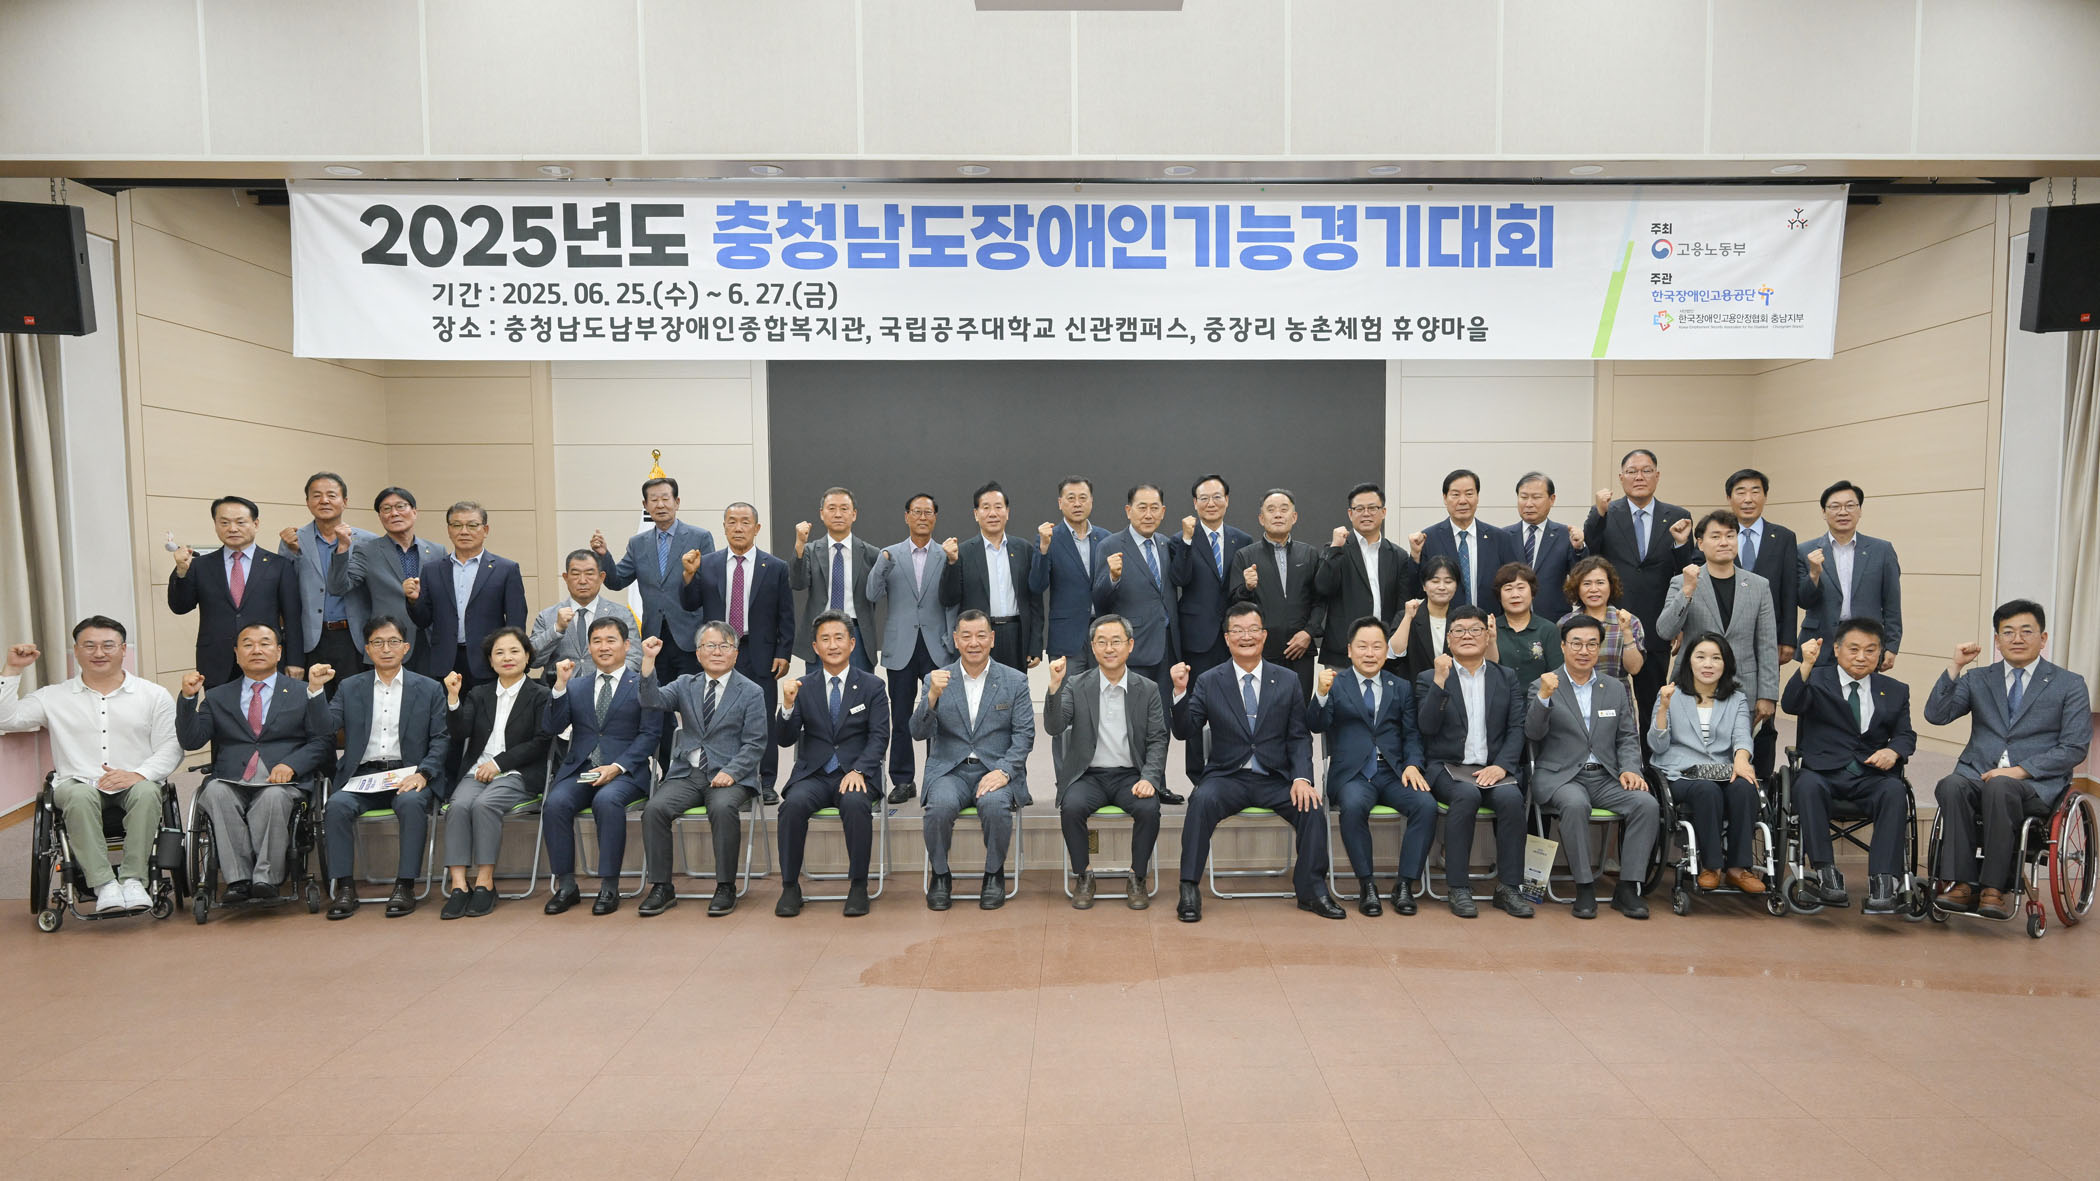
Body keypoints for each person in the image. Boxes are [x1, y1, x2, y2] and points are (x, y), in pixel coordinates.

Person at [1170, 602, 1342, 923]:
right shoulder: (1209, 680)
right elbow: (1185, 730)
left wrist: (1302, 778)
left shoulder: (1288, 680)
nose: (1245, 637)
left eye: (1252, 630)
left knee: (1311, 807)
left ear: (1264, 636)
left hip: (1275, 778)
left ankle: (1313, 890)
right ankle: (1189, 887)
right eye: (1237, 631)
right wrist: (1180, 692)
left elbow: (1298, 736)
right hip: (1227, 777)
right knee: (1200, 801)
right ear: (1227, 639)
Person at [1, 619, 181, 914]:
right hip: (77, 782)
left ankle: (133, 880)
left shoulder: (153, 695)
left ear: (123, 650)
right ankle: (104, 884)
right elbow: (5, 718)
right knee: (79, 795)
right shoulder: (54, 696)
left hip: (135, 780)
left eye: (108, 645)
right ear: (76, 651)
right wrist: (12, 670)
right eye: (89, 645)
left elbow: (172, 746)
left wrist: (138, 774)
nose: (99, 653)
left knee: (148, 792)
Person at [1926, 600, 2091, 920]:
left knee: (2001, 786)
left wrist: (2020, 771)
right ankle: (1962, 884)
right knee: (1951, 785)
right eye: (2008, 632)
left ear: (2043, 638)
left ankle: (1994, 888)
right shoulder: (1978, 679)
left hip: (2034, 784)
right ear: (1997, 640)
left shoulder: (2069, 684)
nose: (2017, 638)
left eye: (2026, 631)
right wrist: (1955, 667)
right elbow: (1936, 715)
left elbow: (2074, 747)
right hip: (1977, 773)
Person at [177, 623, 333, 907]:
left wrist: (292, 765)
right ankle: (238, 879)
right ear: (237, 654)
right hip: (233, 778)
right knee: (215, 792)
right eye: (248, 644)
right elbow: (191, 740)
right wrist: (188, 698)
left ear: (279, 652)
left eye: (265, 643)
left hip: (282, 781)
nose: (256, 650)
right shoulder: (218, 696)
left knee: (272, 797)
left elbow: (322, 740)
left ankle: (266, 879)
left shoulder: (302, 691)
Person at [307, 617, 451, 920]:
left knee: (411, 803)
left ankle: (405, 885)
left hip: (408, 774)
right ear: (367, 649)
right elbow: (325, 728)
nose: (386, 649)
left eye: (393, 642)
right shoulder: (349, 687)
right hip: (363, 777)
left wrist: (423, 773)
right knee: (337, 806)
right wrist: (316, 690)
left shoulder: (428, 688)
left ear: (406, 647)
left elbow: (440, 739)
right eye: (378, 643)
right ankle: (345, 887)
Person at [1526, 615, 1658, 920]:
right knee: (1575, 804)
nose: (1583, 651)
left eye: (1591, 644)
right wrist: (1544, 697)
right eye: (1576, 643)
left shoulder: (1613, 688)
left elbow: (1627, 736)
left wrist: (1631, 769)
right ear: (1563, 646)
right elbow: (1532, 733)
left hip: (1606, 776)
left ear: (1599, 649)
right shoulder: (1544, 684)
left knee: (1646, 804)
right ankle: (1584, 887)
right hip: (1561, 777)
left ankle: (1628, 888)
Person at [1781, 619, 1916, 914]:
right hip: (1824, 772)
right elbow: (1790, 704)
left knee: (1895, 792)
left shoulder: (1895, 690)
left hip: (1871, 776)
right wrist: (1806, 664)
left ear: (1880, 653)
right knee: (1806, 785)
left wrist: (1893, 751)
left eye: (1870, 650)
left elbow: (1906, 734)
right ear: (1837, 649)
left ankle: (1883, 880)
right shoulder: (1816, 679)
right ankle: (1826, 873)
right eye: (1853, 649)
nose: (1861, 657)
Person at [637, 622, 769, 917]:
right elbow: (650, 700)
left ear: (736, 653)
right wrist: (648, 661)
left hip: (731, 776)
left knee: (722, 808)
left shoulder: (751, 692)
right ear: (698, 653)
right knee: (654, 809)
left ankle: (725, 886)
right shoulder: (685, 684)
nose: (717, 652)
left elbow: (755, 743)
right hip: (688, 773)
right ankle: (662, 886)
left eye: (725, 646)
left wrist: (732, 771)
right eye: (710, 645)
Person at [1311, 616, 1437, 916]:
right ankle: (1367, 885)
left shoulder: (1401, 686)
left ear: (1386, 650)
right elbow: (1316, 724)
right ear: (1349, 650)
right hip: (1353, 775)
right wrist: (1321, 695)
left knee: (1426, 805)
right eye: (1362, 646)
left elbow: (1412, 734)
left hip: (1394, 773)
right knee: (1353, 807)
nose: (1370, 653)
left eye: (1377, 646)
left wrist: (1413, 764)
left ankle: (1405, 885)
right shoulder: (1336, 684)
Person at [912, 610, 1036, 911]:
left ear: (992, 639)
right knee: (939, 808)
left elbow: (1024, 735)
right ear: (955, 640)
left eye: (981, 635)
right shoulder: (936, 679)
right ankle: (940, 876)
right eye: (966, 636)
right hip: (950, 770)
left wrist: (1004, 771)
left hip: (994, 769)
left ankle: (994, 874)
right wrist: (932, 697)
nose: (974, 643)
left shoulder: (1014, 680)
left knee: (995, 806)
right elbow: (918, 732)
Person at [1043, 615, 1168, 910]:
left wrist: (1149, 778)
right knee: (1071, 807)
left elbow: (1158, 739)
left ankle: (1137, 876)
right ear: (1092, 647)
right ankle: (1084, 875)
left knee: (1149, 808)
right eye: (1101, 642)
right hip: (1089, 776)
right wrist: (1054, 687)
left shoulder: (1147, 689)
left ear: (1130, 645)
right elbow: (1054, 727)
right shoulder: (1076, 685)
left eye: (1116, 641)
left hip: (1131, 776)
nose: (1109, 648)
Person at [541, 616, 662, 916]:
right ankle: (566, 886)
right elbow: (552, 727)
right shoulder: (576, 685)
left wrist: (617, 767)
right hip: (582, 769)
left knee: (606, 801)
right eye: (596, 641)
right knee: (554, 803)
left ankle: (609, 886)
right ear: (589, 648)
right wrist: (559, 686)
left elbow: (651, 735)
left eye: (611, 640)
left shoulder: (642, 684)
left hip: (625, 773)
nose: (604, 647)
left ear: (627, 645)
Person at [592, 476, 716, 766]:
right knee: (657, 709)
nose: (660, 504)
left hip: (691, 638)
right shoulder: (638, 543)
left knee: (695, 708)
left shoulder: (699, 537)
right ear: (645, 505)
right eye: (654, 500)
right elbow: (617, 580)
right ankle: (670, 770)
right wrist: (603, 557)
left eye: (665, 498)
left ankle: (702, 767)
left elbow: (709, 585)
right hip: (654, 641)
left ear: (677, 502)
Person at [1417, 605, 1531, 918]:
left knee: (1511, 799)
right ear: (1449, 639)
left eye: (1475, 630)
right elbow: (1426, 727)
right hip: (1447, 767)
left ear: (1487, 636)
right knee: (1466, 796)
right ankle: (1458, 887)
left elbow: (1517, 727)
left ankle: (1509, 888)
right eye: (1459, 630)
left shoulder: (1505, 677)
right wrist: (1440, 682)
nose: (1467, 636)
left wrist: (1502, 765)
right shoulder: (1429, 678)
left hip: (1493, 768)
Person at [774, 610, 890, 918]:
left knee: (855, 804)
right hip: (814, 774)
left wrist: (860, 770)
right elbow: (784, 739)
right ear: (815, 647)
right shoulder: (802, 686)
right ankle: (789, 886)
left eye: (839, 638)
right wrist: (787, 705)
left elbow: (879, 736)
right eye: (825, 639)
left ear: (852, 643)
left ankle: (858, 886)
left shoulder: (873, 686)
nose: (833, 645)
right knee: (791, 806)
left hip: (856, 773)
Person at [679, 502, 794, 798]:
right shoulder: (708, 563)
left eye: (745, 522)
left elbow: (785, 614)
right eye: (732, 522)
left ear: (757, 528)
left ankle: (765, 783)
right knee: (719, 717)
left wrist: (783, 652)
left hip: (759, 652)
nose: (738, 528)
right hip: (719, 652)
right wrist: (689, 576)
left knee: (762, 718)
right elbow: (690, 604)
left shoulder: (775, 567)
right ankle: (720, 775)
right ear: (724, 527)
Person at [438, 626, 551, 919]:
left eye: (514, 651)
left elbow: (541, 742)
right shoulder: (479, 693)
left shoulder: (540, 694)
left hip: (518, 772)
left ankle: (485, 882)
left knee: (485, 805)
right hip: (477, 770)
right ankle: (459, 885)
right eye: (499, 653)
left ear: (527, 656)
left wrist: (499, 763)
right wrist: (453, 698)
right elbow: (460, 733)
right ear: (490, 660)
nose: (507, 658)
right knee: (458, 806)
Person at [1582, 450, 1696, 734]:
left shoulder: (1678, 516)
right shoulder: (1607, 512)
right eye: (1632, 471)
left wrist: (1681, 545)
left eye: (1646, 470)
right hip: (1612, 625)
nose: (1639, 477)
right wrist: (1598, 513)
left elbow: (1685, 572)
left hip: (1657, 624)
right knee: (1604, 703)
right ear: (1621, 478)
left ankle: (1651, 758)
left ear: (1657, 476)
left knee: (1653, 703)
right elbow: (1590, 553)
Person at [1648, 633, 1765, 893]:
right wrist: (1663, 708)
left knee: (1745, 788)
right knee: (1706, 790)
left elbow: (1742, 736)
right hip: (1680, 774)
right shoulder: (1671, 694)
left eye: (1716, 658)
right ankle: (1711, 866)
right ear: (1689, 661)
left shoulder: (1736, 698)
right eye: (1700, 657)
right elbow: (1657, 746)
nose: (1708, 664)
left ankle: (1738, 869)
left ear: (1726, 663)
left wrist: (1742, 759)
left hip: (1722, 769)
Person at [1091, 483, 1183, 802]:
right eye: (1141, 507)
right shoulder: (1110, 545)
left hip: (1167, 644)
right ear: (1128, 511)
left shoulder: (1167, 544)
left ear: (1163, 511)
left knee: (1162, 720)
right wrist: (1113, 577)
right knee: (1133, 720)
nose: (1148, 513)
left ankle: (1157, 781)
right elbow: (1099, 601)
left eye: (1154, 507)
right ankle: (1133, 781)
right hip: (1133, 647)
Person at [1657, 510, 1779, 747]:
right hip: (1692, 686)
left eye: (1730, 536)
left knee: (1740, 752)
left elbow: (1767, 644)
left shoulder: (1759, 585)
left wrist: (1768, 694)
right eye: (1716, 536)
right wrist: (1687, 592)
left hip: (1743, 687)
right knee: (1693, 750)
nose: (1724, 542)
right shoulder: (1681, 582)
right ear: (1700, 543)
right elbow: (1665, 631)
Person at [868, 493, 954, 805]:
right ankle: (903, 781)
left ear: (935, 517)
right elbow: (871, 593)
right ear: (906, 516)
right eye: (916, 512)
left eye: (928, 512)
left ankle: (936, 777)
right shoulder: (890, 554)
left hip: (937, 647)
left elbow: (953, 601)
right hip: (901, 646)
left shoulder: (946, 555)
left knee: (937, 716)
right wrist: (881, 564)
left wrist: (951, 641)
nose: (922, 517)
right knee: (902, 716)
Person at [169, 494, 303, 687]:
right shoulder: (201, 565)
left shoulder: (278, 565)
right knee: (218, 707)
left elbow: (292, 617)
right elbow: (180, 607)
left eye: (240, 522)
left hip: (264, 658)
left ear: (255, 524)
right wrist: (181, 572)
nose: (232, 529)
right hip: (216, 660)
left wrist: (295, 660)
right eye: (224, 522)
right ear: (215, 525)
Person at [1723, 468, 1801, 778]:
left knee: (1763, 710)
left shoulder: (1783, 537)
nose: (1748, 498)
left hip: (1768, 641)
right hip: (1726, 638)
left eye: (1755, 491)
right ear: (1729, 498)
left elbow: (1789, 590)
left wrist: (1788, 639)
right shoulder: (1720, 534)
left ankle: (1763, 780)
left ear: (1765, 496)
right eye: (1740, 492)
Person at [327, 486, 447, 679]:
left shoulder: (436, 551)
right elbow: (338, 587)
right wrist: (342, 549)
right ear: (380, 516)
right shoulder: (367, 551)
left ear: (414, 512)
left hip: (428, 642)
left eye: (400, 506)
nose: (394, 513)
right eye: (386, 509)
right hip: (387, 644)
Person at [407, 501, 528, 692]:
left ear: (485, 530)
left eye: (472, 525)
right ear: (449, 530)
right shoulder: (432, 570)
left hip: (488, 661)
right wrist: (413, 600)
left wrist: (512, 658)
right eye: (457, 525)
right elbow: (423, 620)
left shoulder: (506, 569)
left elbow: (516, 620)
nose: (464, 531)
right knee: (449, 710)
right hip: (445, 662)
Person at [277, 471, 377, 691]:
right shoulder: (292, 540)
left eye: (331, 495)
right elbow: (285, 593)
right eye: (316, 495)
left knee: (356, 701)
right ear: (307, 502)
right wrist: (292, 552)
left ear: (345, 501)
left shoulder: (368, 541)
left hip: (355, 637)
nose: (324, 500)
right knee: (315, 702)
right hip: (312, 638)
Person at [1225, 488, 1325, 697]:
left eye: (1284, 509)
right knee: (1265, 710)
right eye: (1271, 510)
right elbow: (1234, 604)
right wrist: (1247, 588)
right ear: (1261, 519)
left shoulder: (1309, 554)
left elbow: (1320, 600)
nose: (1278, 514)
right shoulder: (1245, 556)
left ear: (1294, 517)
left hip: (1301, 650)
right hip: (1262, 651)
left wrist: (1308, 633)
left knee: (1300, 708)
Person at [1168, 474, 1254, 706]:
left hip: (1235, 633)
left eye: (1217, 497)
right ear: (1195, 503)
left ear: (1227, 500)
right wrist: (1187, 541)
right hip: (1197, 636)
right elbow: (1179, 579)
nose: (1211, 503)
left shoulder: (1243, 540)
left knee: (1233, 702)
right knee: (1199, 701)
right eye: (1204, 498)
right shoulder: (1179, 540)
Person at [1798, 480, 1902, 670]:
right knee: (1817, 690)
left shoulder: (1882, 550)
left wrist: (1892, 645)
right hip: (1820, 643)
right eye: (1835, 506)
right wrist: (1813, 574)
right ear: (1823, 512)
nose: (1843, 512)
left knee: (1862, 690)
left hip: (1865, 643)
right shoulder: (1805, 550)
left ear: (1860, 510)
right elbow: (1803, 601)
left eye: (1850, 506)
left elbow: (1892, 602)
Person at [939, 481, 1042, 671]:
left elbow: (1035, 601)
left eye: (998, 507)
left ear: (1007, 512)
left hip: (1015, 634)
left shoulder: (1024, 549)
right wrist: (951, 562)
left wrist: (1035, 644)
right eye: (986, 508)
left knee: (1014, 687)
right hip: (978, 637)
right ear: (976, 514)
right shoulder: (963, 552)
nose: (993, 513)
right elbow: (948, 598)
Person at [1314, 482, 1415, 668]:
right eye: (1359, 509)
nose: (1366, 513)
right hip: (1342, 653)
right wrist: (1335, 548)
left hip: (1385, 653)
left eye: (1372, 508)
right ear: (1350, 514)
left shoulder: (1398, 555)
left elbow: (1402, 604)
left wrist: (1392, 641)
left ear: (1383, 512)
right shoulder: (1337, 549)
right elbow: (1323, 587)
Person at [790, 487, 880, 673]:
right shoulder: (810, 550)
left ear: (854, 514)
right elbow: (797, 583)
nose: (838, 514)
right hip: (821, 631)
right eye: (831, 508)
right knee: (818, 688)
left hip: (856, 633)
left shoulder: (871, 553)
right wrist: (799, 544)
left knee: (859, 687)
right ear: (821, 514)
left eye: (844, 508)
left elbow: (877, 594)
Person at [1029, 476, 1111, 667]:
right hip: (1066, 638)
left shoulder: (1106, 538)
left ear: (1091, 501)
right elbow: (1037, 586)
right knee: (1067, 687)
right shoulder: (1049, 538)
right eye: (1071, 498)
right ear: (1060, 503)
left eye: (1082, 498)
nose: (1077, 504)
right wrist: (1043, 549)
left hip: (1103, 636)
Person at [1412, 468, 1519, 610]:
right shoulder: (1429, 538)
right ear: (1445, 498)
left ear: (1477, 496)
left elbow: (1512, 583)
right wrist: (1415, 556)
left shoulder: (1500, 538)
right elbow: (1417, 590)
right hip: (1445, 621)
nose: (1462, 501)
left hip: (1489, 619)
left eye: (1469, 494)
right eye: (1455, 495)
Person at [529, 549, 641, 676]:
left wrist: (608, 681)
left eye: (589, 574)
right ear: (566, 577)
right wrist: (557, 630)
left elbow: (634, 657)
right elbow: (532, 660)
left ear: (601, 577)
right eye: (576, 574)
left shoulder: (621, 614)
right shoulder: (547, 616)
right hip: (559, 686)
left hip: (607, 686)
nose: (582, 581)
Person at [1560, 556, 1646, 702]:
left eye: (1600, 583)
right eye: (1586, 583)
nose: (1594, 589)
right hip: (1575, 700)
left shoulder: (1629, 621)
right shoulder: (1565, 623)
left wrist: (1626, 632)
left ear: (1610, 586)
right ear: (1577, 587)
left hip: (1615, 700)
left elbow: (1634, 669)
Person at [1505, 471, 1586, 619]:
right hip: (1511, 620)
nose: (1529, 504)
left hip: (1554, 620)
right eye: (1524, 497)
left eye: (1536, 497)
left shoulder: (1565, 535)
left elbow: (1581, 576)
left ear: (1552, 499)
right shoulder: (1503, 536)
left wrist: (1579, 548)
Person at [1486, 563, 1561, 691]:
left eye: (1521, 588)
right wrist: (1491, 640)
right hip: (1500, 699)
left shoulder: (1548, 629)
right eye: (1508, 589)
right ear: (1499, 595)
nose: (1515, 594)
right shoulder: (1490, 628)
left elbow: (1557, 674)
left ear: (1532, 592)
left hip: (1540, 699)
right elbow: (1487, 672)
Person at [1390, 555, 1460, 681]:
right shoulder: (1406, 616)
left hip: (1452, 689)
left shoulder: (1461, 620)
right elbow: (1395, 652)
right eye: (1435, 581)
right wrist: (1408, 618)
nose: (1442, 587)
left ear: (1456, 586)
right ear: (1424, 586)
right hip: (1415, 688)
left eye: (1448, 582)